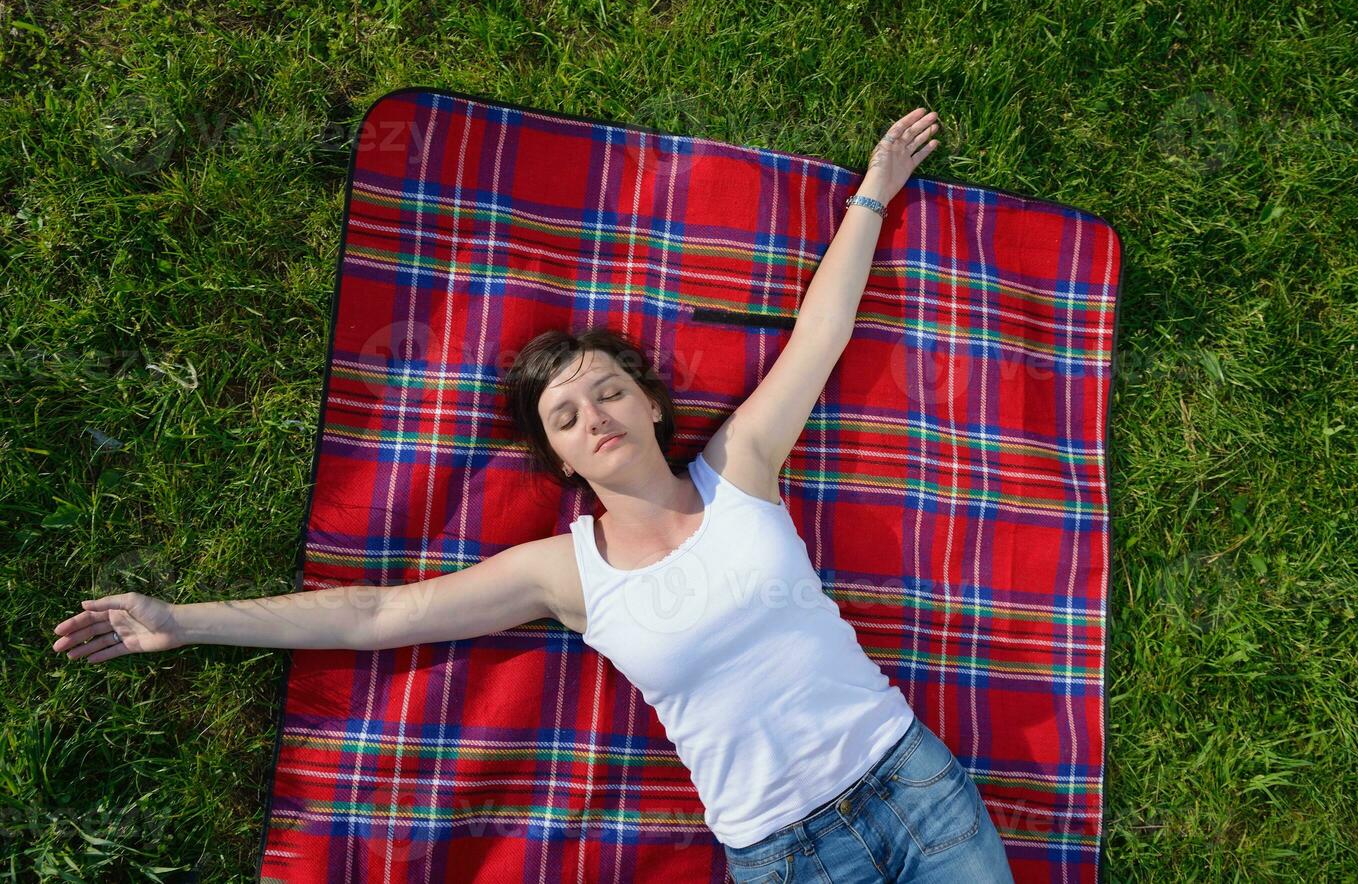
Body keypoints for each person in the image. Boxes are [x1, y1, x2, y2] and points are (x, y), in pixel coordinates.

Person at [50, 108, 1014, 882]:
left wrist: (873, 195)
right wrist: (181, 619)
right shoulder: (566, 572)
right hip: (780, 855)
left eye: (607, 390)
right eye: (565, 415)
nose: (594, 413)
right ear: (561, 462)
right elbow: (378, 612)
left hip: (910, 785)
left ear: (647, 405)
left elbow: (821, 331)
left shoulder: (742, 468)